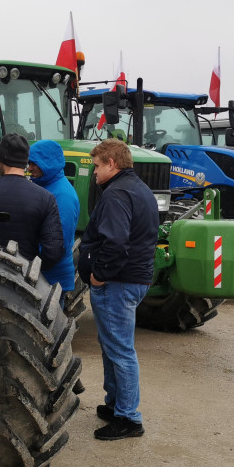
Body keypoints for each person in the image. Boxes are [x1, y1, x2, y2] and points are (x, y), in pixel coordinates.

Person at [78, 139, 159, 440]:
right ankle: (116, 404)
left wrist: (99, 274)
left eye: (97, 165)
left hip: (118, 282)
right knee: (112, 346)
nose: (94, 172)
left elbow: (115, 242)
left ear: (111, 163)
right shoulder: (139, 189)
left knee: (121, 350)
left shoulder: (116, 195)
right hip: (133, 279)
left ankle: (128, 418)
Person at [0, 133, 64, 271]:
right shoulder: (46, 198)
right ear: (25, 162)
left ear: (0, 160)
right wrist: (32, 271)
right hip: (23, 278)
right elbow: (53, 252)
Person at [27, 140, 81, 299]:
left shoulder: (63, 195)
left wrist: (37, 267)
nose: (29, 168)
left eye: (34, 163)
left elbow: (58, 244)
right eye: (29, 163)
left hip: (52, 278)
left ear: (47, 163)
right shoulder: (44, 187)